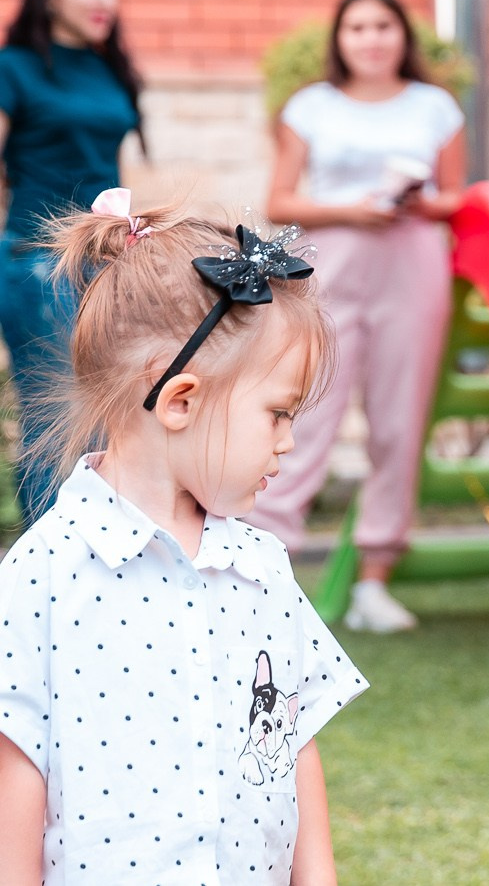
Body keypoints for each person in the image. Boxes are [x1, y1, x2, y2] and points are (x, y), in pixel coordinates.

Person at [0, 193, 365, 885]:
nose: (289, 441)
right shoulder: (43, 576)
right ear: (181, 400)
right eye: (277, 413)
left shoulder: (261, 567)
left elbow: (289, 738)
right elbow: (15, 766)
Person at [256, 0, 466, 633]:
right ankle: (269, 570)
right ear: (339, 39)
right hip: (332, 268)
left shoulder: (436, 107)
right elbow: (280, 201)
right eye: (357, 27)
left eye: (383, 25)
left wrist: (418, 202)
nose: (372, 38)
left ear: (402, 34)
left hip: (411, 267)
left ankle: (376, 575)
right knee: (305, 413)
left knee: (397, 423)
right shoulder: (310, 107)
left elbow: (457, 193)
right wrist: (353, 209)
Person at [0, 0, 144, 527]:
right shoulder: (15, 67)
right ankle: (45, 571)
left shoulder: (110, 70)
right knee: (58, 413)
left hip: (105, 259)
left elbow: (110, 170)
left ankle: (95, 561)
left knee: (113, 411)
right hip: (38, 261)